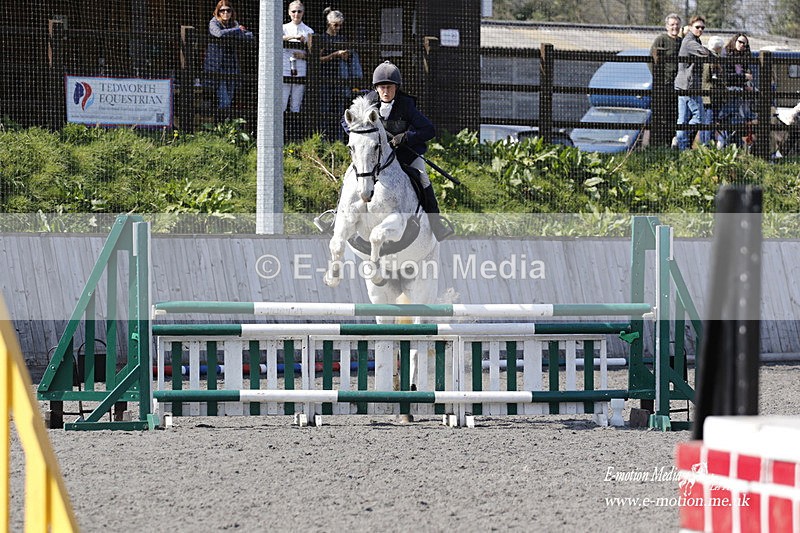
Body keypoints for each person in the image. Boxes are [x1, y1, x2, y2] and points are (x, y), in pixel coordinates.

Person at [366, 61, 453, 241]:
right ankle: (335, 217)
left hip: (405, 155)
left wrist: (405, 137)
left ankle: (437, 225)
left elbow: (429, 130)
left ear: (396, 88)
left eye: (389, 87)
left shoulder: (406, 105)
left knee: (423, 177)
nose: (386, 92)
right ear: (376, 88)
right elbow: (345, 121)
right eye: (382, 87)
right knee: (354, 175)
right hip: (377, 158)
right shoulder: (367, 102)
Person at [203, 1, 253, 120]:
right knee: (223, 99)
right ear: (218, 12)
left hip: (231, 67)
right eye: (222, 10)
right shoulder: (214, 22)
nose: (225, 12)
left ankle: (225, 127)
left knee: (229, 98)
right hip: (216, 67)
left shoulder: (233, 23)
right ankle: (221, 127)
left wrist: (238, 31)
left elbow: (249, 36)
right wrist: (236, 31)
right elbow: (218, 34)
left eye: (228, 10)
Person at [318, 8, 362, 140]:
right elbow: (317, 59)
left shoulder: (342, 39)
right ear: (328, 23)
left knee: (340, 109)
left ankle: (339, 139)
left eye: (340, 25)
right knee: (324, 109)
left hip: (340, 78)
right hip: (324, 77)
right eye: (335, 25)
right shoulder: (322, 38)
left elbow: (350, 59)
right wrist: (335, 54)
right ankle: (323, 138)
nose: (338, 28)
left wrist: (346, 56)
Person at [674, 16, 710, 150]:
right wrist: (719, 58)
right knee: (699, 117)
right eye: (697, 27)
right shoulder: (690, 42)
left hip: (683, 85)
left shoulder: (695, 40)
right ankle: (680, 139)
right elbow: (705, 53)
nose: (700, 29)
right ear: (690, 27)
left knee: (682, 119)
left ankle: (682, 149)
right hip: (688, 86)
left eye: (702, 28)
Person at [649, 13, 682, 146]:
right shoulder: (661, 39)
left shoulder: (681, 42)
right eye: (672, 24)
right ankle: (657, 146)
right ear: (667, 26)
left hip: (678, 85)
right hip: (663, 85)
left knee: (674, 115)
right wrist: (659, 79)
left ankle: (671, 144)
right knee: (661, 115)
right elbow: (651, 60)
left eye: (677, 24)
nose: (675, 27)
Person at [282, 1, 314, 113]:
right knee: (282, 102)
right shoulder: (283, 28)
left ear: (303, 12)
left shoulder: (308, 31)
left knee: (296, 105)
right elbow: (277, 38)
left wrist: (304, 55)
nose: (296, 14)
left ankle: (293, 130)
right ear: (289, 13)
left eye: (299, 11)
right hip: (284, 69)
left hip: (300, 70)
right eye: (293, 11)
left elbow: (313, 53)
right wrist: (293, 37)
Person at [723, 33, 757, 130]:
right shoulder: (726, 54)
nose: (742, 45)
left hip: (740, 91)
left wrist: (745, 85)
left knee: (740, 115)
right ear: (735, 41)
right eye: (740, 42)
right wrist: (744, 76)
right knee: (730, 116)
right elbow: (727, 77)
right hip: (728, 91)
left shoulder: (743, 58)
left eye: (744, 44)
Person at [701, 36, 727, 146]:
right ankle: (707, 145)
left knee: (709, 121)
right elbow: (707, 77)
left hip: (714, 95)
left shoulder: (713, 57)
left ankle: (707, 144)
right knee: (709, 122)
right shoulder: (711, 58)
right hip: (710, 96)